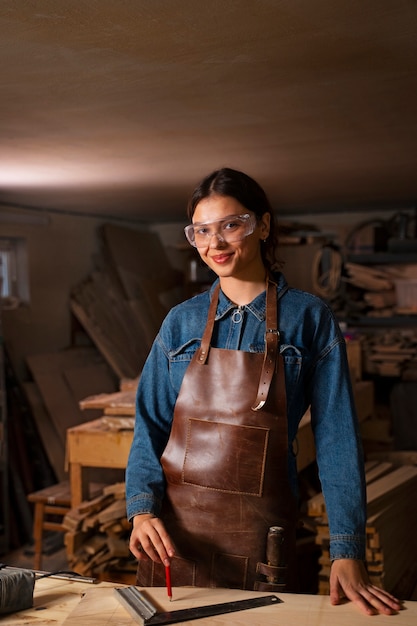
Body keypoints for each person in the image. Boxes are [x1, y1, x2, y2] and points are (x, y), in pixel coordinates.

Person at [126, 167, 402, 616]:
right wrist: (141, 510)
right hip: (176, 543)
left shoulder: (309, 318)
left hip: (263, 539)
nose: (215, 244)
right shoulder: (180, 322)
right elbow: (149, 427)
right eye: (201, 231)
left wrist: (347, 550)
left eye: (231, 225)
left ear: (263, 225)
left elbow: (337, 440)